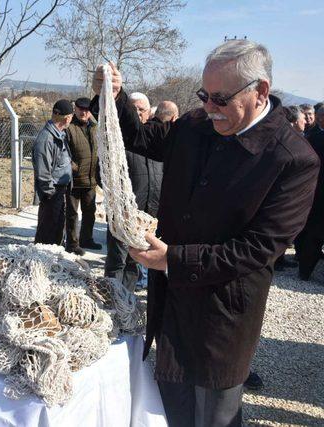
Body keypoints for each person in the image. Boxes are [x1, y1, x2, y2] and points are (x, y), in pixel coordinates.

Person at [93, 39, 319, 426]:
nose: (209, 108)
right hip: (173, 300)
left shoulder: (293, 158)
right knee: (169, 404)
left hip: (223, 313)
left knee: (215, 413)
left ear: (259, 91)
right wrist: (115, 98)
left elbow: (259, 248)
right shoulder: (197, 125)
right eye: (204, 96)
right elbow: (144, 139)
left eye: (219, 99)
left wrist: (172, 259)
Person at [105, 92, 162, 292]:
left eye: (141, 109)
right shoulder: (119, 143)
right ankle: (111, 299)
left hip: (147, 219)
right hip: (123, 217)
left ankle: (126, 302)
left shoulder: (158, 142)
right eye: (133, 108)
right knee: (117, 263)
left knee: (134, 262)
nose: (137, 112)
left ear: (148, 113)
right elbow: (102, 175)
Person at [32, 99, 74, 246]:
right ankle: (42, 262)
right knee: (47, 233)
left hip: (58, 191)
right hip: (51, 192)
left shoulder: (59, 134)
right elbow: (43, 170)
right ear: (68, 118)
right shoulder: (46, 138)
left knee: (56, 230)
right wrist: (50, 193)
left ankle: (52, 261)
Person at [65, 97, 101, 255]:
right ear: (75, 109)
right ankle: (72, 244)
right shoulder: (69, 127)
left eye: (86, 110)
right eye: (80, 109)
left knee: (89, 212)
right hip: (73, 180)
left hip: (90, 179)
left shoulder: (95, 127)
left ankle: (87, 239)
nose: (83, 112)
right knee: (72, 214)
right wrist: (75, 168)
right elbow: (64, 153)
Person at [295, 106, 324, 280]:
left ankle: (305, 268)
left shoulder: (314, 136)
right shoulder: (313, 137)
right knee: (313, 231)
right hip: (315, 189)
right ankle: (305, 268)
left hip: (315, 188)